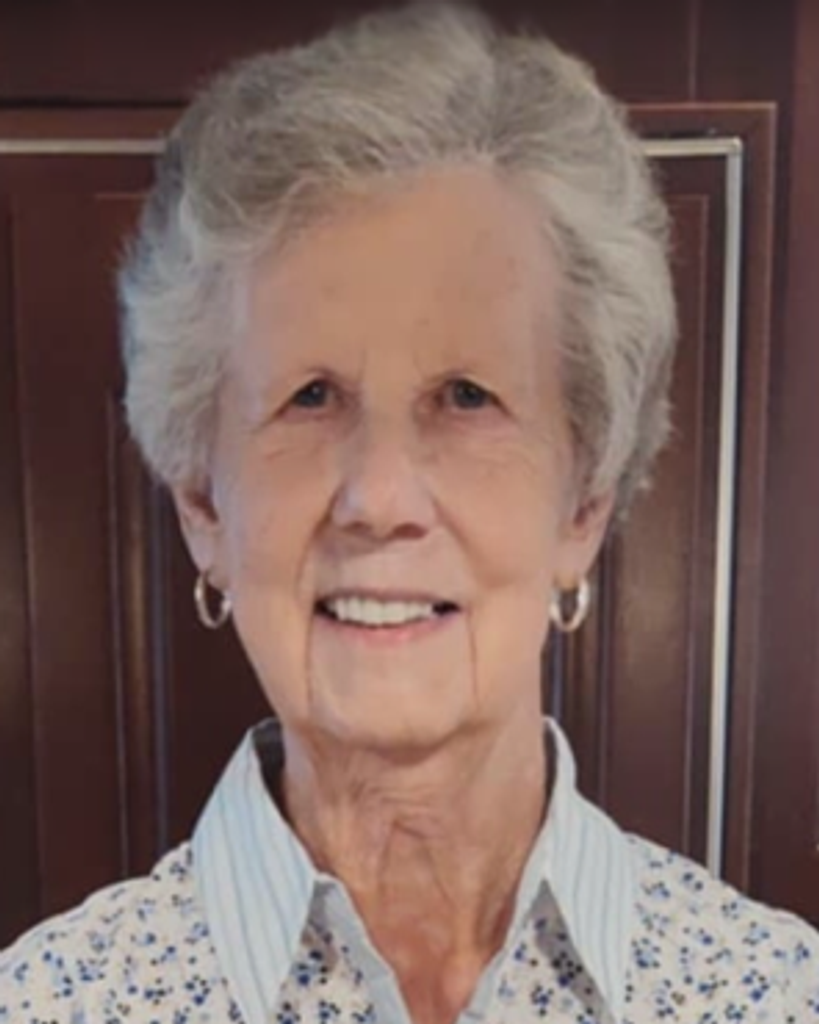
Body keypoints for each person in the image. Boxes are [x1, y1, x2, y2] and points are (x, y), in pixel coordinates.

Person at [2, 4, 817, 1023]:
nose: (380, 499)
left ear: (584, 504)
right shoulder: (50, 1003)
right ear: (203, 504)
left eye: (467, 396)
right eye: (309, 397)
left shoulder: (775, 994)